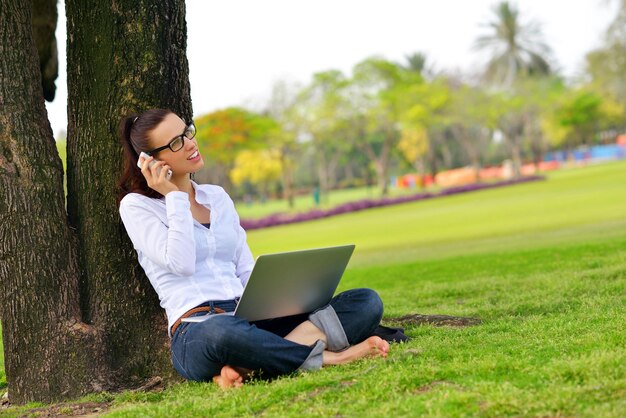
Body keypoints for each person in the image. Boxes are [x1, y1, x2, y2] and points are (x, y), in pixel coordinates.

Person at [116, 108, 390, 388]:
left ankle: (246, 366)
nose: (190, 143)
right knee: (223, 332)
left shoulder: (217, 197)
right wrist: (173, 197)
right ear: (151, 161)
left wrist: (278, 304)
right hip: (198, 330)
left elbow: (244, 268)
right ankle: (328, 358)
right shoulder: (137, 207)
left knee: (365, 302)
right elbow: (181, 262)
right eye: (176, 143)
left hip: (250, 319)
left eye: (187, 132)